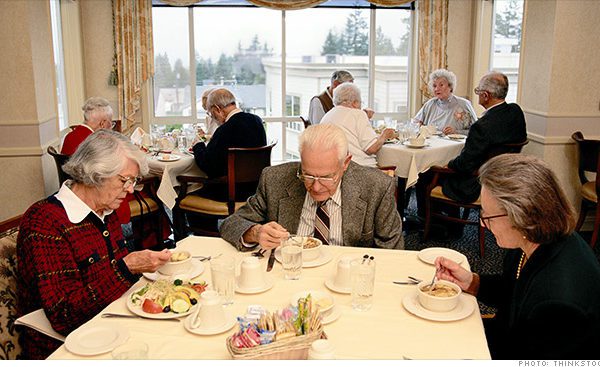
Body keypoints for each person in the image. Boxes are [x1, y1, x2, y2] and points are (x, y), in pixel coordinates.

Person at [17, 130, 172, 359]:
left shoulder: (106, 209)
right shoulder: (45, 223)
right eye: (124, 180)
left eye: (133, 181)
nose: (130, 189)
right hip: (62, 347)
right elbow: (64, 316)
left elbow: (111, 281)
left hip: (108, 324)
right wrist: (127, 267)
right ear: (95, 174)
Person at [435, 154, 600, 359]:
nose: (482, 223)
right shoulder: (532, 238)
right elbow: (513, 289)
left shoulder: (558, 303)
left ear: (521, 216)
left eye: (488, 216)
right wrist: (471, 281)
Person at [220, 124, 403, 251]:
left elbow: (393, 248)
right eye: (307, 175)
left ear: (345, 163)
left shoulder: (376, 186)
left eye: (326, 177)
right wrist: (255, 232)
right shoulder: (275, 179)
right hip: (290, 273)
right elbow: (230, 223)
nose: (316, 187)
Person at [415, 71, 527, 221]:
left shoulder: (482, 126)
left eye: (478, 91)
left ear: (486, 96)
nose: (477, 94)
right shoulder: (515, 112)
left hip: (477, 182)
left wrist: (447, 164)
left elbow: (465, 164)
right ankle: (443, 219)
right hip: (503, 176)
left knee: (425, 173)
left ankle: (435, 221)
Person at [192, 88, 267, 179]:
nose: (213, 118)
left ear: (217, 109)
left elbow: (210, 167)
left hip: (227, 187)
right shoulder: (256, 120)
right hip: (256, 184)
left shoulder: (225, 129)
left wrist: (198, 145)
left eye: (211, 114)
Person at [321, 83, 395, 167]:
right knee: (395, 177)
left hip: (334, 167)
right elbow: (371, 149)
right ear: (355, 102)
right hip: (358, 169)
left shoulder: (327, 116)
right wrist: (384, 135)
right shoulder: (358, 114)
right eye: (361, 102)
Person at [413, 69, 477, 135]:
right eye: (434, 86)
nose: (436, 89)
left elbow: (477, 131)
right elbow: (415, 123)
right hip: (431, 143)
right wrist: (419, 126)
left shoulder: (463, 104)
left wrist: (456, 132)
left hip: (455, 144)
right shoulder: (430, 104)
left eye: (441, 85)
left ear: (450, 87)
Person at [309, 70, 376, 124]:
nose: (350, 90)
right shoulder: (318, 101)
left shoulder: (344, 101)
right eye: (346, 87)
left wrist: (361, 114)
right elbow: (318, 127)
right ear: (335, 84)